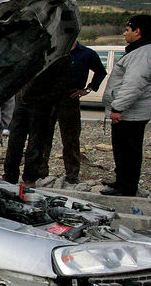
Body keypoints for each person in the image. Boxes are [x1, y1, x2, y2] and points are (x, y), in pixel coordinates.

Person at [100, 15, 151, 196]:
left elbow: (134, 84)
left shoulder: (143, 54)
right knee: (124, 150)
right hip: (133, 111)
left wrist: (118, 108)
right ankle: (122, 181)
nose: (124, 34)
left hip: (131, 112)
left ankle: (126, 187)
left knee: (128, 150)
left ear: (138, 31)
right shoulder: (145, 50)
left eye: (127, 30)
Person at [40, 40, 107, 183]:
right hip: (48, 98)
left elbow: (101, 72)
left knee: (71, 139)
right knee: (43, 136)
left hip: (70, 98)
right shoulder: (52, 50)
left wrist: (88, 89)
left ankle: (72, 174)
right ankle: (40, 171)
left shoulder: (87, 53)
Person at [2, 55, 72, 187]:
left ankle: (30, 177)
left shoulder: (60, 55)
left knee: (36, 142)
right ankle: (10, 175)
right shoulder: (31, 50)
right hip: (21, 102)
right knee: (14, 140)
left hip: (41, 104)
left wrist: (48, 100)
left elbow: (63, 83)